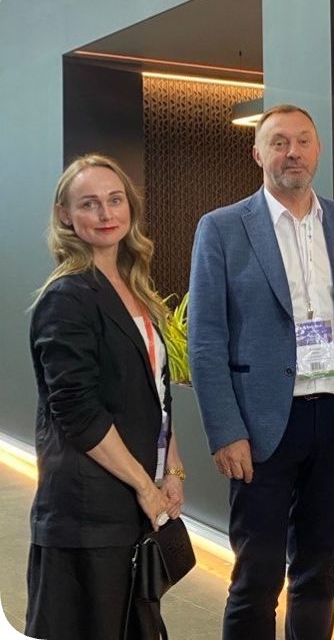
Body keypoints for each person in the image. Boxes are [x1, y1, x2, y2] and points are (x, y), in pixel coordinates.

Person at [188, 104, 334, 640]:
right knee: (258, 575)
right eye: (279, 142)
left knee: (318, 571)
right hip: (261, 425)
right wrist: (226, 430)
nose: (293, 152)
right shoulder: (222, 227)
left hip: (333, 419)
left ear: (318, 150)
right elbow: (205, 339)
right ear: (257, 153)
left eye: (303, 141)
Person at [25, 154, 185, 640]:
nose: (105, 213)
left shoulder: (134, 289)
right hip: (87, 510)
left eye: (115, 200)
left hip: (131, 500)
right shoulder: (67, 297)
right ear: (64, 215)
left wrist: (171, 468)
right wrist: (145, 487)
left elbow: (156, 391)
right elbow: (78, 412)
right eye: (89, 204)